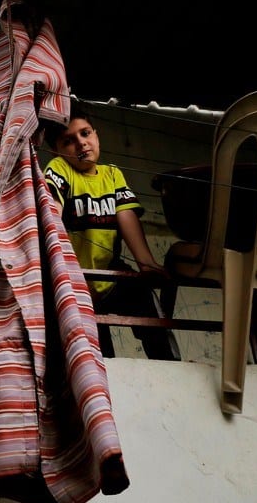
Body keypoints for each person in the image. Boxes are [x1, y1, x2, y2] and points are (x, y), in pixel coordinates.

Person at [43, 108, 180, 360]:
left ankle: (170, 364)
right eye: (68, 141)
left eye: (85, 133)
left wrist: (146, 264)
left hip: (110, 272)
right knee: (99, 351)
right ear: (56, 150)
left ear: (96, 135)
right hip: (73, 277)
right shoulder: (59, 168)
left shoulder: (112, 174)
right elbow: (51, 212)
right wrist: (68, 276)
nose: (80, 143)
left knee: (143, 298)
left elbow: (126, 216)